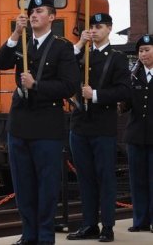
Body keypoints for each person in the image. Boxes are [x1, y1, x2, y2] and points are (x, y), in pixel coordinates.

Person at [0, 0, 79, 245]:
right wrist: (15, 33)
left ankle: (44, 236)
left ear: (52, 17)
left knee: (47, 185)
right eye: (31, 11)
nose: (33, 15)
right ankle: (29, 234)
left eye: (40, 11)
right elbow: (0, 63)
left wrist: (37, 85)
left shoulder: (62, 47)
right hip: (19, 124)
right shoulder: (20, 42)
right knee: (23, 185)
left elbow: (69, 85)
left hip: (46, 125)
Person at [66, 13, 130, 243]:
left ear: (110, 29)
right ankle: (89, 224)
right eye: (91, 26)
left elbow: (124, 91)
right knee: (85, 178)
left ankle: (108, 226)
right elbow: (66, 71)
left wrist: (94, 95)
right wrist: (79, 44)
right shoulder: (81, 54)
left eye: (99, 26)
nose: (94, 30)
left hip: (103, 126)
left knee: (105, 178)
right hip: (80, 126)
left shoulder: (117, 58)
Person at [124, 34, 153, 233]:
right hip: (135, 135)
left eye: (147, 50)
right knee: (138, 180)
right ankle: (141, 220)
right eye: (140, 51)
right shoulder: (133, 75)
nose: (143, 54)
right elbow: (125, 105)